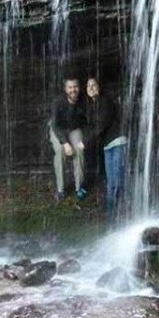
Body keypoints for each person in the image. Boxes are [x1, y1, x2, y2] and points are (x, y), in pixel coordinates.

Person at [85, 77, 127, 225]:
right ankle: (111, 221)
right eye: (88, 86)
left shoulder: (106, 102)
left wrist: (86, 141)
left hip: (117, 143)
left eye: (94, 85)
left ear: (99, 87)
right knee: (110, 184)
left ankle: (123, 216)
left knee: (118, 182)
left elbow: (102, 124)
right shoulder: (93, 105)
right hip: (107, 147)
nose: (91, 88)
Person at [49, 78, 88, 201]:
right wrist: (65, 143)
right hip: (58, 128)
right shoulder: (58, 102)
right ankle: (61, 189)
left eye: (75, 86)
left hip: (74, 128)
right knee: (60, 151)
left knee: (79, 150)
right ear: (66, 89)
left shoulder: (84, 100)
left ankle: (79, 187)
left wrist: (85, 139)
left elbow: (88, 121)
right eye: (70, 87)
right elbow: (55, 125)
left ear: (79, 88)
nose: (73, 90)